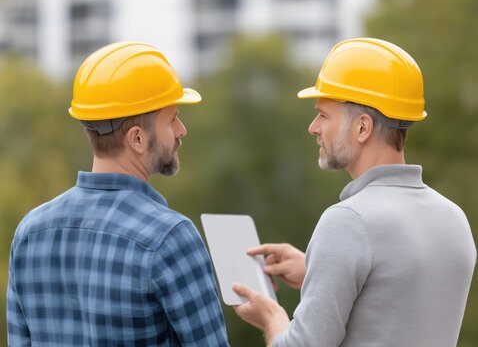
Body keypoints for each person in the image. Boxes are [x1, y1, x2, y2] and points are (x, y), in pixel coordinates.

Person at [232, 38, 476, 347]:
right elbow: (396, 295)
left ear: (362, 127)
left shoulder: (348, 221)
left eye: (323, 115)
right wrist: (317, 269)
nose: (313, 127)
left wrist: (272, 318)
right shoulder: (454, 219)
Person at [7, 42, 229, 346]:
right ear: (137, 138)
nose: (181, 130)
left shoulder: (30, 232)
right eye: (172, 118)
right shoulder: (170, 238)